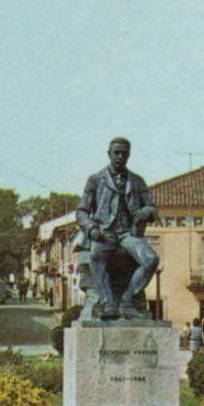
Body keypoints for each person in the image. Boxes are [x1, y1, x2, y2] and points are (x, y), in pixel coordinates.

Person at [75, 137, 159, 320]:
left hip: (129, 233)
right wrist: (92, 229)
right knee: (97, 255)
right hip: (104, 233)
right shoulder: (95, 180)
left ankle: (127, 301)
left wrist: (148, 210)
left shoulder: (137, 181)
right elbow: (81, 211)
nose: (120, 157)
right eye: (116, 153)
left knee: (151, 259)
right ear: (109, 154)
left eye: (124, 153)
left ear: (129, 155)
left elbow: (153, 208)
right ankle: (107, 303)